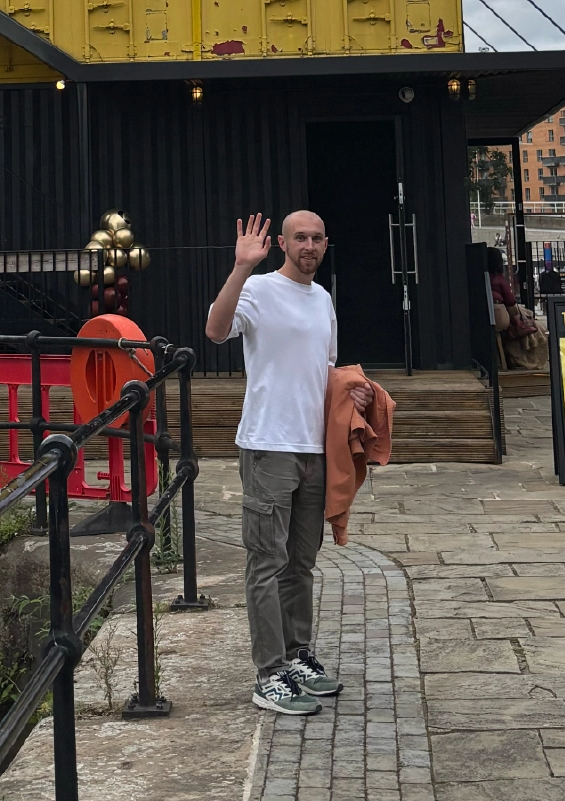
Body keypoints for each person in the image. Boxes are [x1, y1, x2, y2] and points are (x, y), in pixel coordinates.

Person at [205, 211, 373, 716]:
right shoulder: (257, 290)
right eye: (300, 237)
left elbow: (322, 371)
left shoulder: (323, 300)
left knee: (300, 562)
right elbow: (215, 331)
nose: (309, 245)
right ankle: (269, 673)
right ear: (282, 243)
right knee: (266, 561)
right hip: (268, 444)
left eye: (317, 238)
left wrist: (354, 395)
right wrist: (239, 268)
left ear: (326, 245)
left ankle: (298, 656)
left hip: (313, 448)